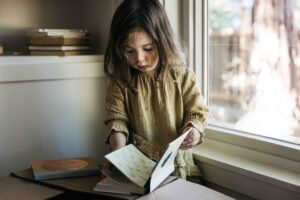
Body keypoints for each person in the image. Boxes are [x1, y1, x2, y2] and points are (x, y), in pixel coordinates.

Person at [103, 0, 209, 180]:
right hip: (137, 168)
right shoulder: (120, 81)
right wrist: (118, 153)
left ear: (163, 40)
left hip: (178, 167)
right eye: (129, 51)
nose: (140, 59)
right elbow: (117, 119)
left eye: (148, 48)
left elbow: (197, 112)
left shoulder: (181, 75)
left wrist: (194, 131)